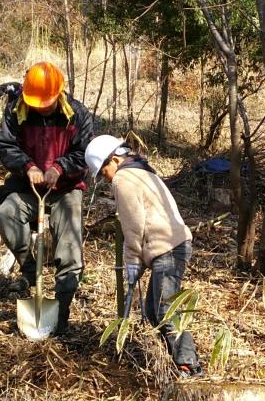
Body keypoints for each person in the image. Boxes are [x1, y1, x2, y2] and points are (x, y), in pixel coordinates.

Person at [0, 61, 95, 336]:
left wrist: (60, 168)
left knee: (70, 251)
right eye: (37, 102)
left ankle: (60, 313)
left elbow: (85, 151)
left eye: (46, 102)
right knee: (6, 214)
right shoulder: (17, 110)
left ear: (59, 94)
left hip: (66, 188)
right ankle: (28, 271)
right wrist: (28, 167)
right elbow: (2, 143)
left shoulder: (78, 114)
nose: (42, 107)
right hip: (28, 185)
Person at [85, 135, 203, 376]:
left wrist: (131, 263)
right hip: (172, 246)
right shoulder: (143, 171)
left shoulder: (124, 179)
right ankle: (171, 359)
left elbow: (133, 227)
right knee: (152, 310)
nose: (105, 179)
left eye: (103, 172)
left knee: (164, 310)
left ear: (114, 159)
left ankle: (188, 365)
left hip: (168, 248)